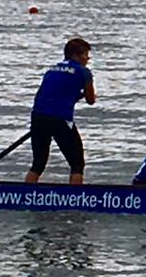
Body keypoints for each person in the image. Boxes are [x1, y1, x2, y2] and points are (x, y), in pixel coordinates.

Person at [26, 37, 96, 184]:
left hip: (38, 116)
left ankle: (25, 194)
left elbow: (54, 93)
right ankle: (76, 199)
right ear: (75, 55)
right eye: (85, 55)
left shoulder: (51, 70)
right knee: (77, 164)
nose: (87, 59)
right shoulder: (84, 72)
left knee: (38, 163)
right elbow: (91, 100)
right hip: (60, 119)